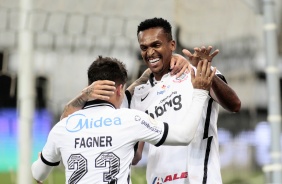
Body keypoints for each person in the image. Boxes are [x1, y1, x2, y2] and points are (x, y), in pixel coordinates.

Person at [60, 17, 241, 184]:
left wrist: (207, 72)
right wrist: (85, 96)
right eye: (144, 47)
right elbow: (135, 156)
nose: (150, 52)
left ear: (172, 45)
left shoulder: (196, 75)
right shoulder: (139, 94)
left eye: (156, 44)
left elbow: (234, 105)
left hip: (198, 178)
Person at [31, 55, 216, 184]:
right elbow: (184, 136)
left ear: (89, 87)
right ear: (120, 89)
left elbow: (38, 173)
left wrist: (43, 159)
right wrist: (200, 91)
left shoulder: (62, 128)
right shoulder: (131, 119)